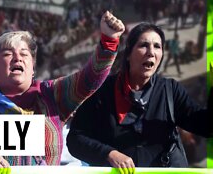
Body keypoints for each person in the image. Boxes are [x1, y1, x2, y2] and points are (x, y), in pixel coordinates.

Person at [0, 11, 125, 168]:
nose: (17, 58)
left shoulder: (52, 95)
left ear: (33, 67)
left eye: (24, 54)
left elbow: (89, 79)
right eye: (7, 53)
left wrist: (109, 40)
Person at [67, 23, 211, 172]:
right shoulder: (104, 91)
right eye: (143, 45)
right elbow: (75, 140)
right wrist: (109, 153)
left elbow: (206, 126)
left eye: (157, 46)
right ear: (128, 54)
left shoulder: (170, 90)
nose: (151, 52)